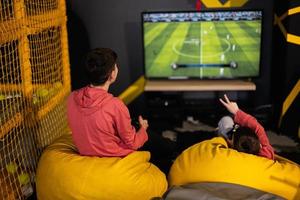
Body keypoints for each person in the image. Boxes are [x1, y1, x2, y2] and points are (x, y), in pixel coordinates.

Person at [67, 48, 149, 157]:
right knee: (163, 145)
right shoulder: (115, 105)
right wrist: (143, 128)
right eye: (115, 66)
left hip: (86, 154)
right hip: (115, 157)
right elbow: (132, 143)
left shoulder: (71, 97)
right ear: (112, 74)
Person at [218, 94, 274, 160]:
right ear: (260, 145)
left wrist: (236, 111)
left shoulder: (231, 157)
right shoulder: (266, 155)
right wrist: (236, 111)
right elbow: (258, 128)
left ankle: (221, 131)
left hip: (229, 133)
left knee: (226, 120)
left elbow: (257, 128)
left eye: (231, 140)